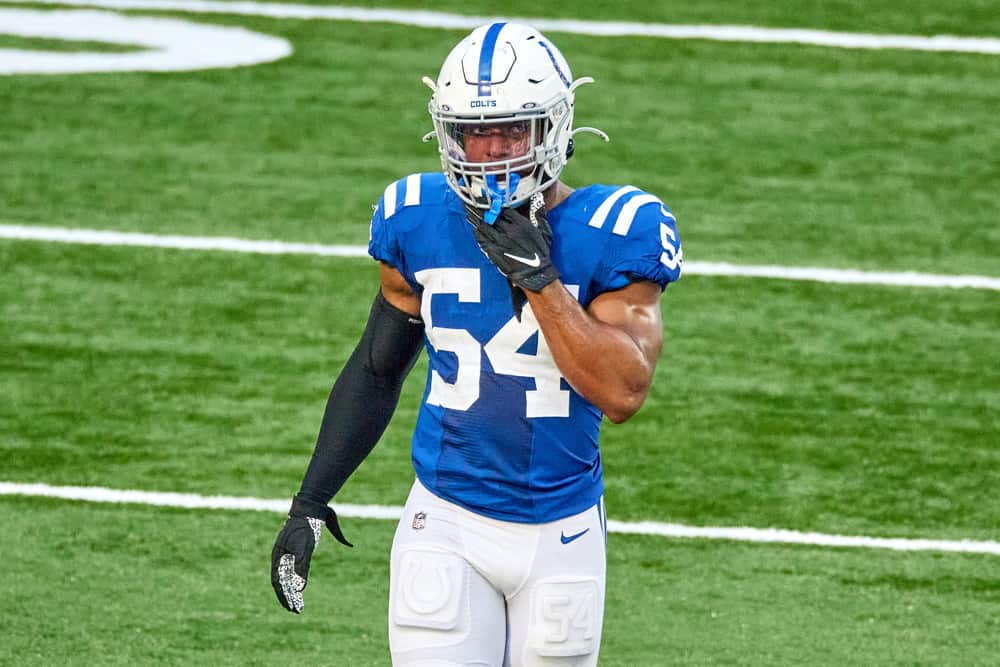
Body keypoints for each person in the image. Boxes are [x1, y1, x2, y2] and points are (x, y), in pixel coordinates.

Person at [271, 21, 683, 666]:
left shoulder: (617, 226)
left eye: (511, 130)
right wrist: (311, 500)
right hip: (446, 518)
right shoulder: (415, 214)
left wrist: (539, 280)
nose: (490, 151)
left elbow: (622, 392)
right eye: (473, 132)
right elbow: (378, 369)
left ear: (553, 127)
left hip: (562, 528)